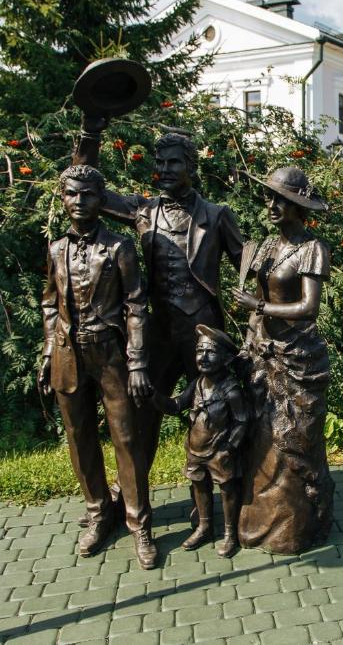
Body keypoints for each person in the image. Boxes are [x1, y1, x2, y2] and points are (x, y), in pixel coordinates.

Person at [99, 133, 245, 477]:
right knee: (142, 408)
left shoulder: (217, 215)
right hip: (159, 329)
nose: (164, 169)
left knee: (214, 411)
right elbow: (96, 194)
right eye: (160, 162)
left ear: (190, 167)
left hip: (203, 331)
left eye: (173, 162)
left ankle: (226, 492)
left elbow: (247, 268)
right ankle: (132, 492)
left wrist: (264, 316)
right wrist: (91, 134)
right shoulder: (144, 210)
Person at [38, 165, 157, 570]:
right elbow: (50, 304)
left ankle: (139, 523)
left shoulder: (120, 247)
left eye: (87, 194)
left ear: (101, 199)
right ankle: (98, 512)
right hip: (67, 354)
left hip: (110, 355)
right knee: (79, 437)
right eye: (71, 193)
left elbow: (136, 305)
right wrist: (47, 353)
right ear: (63, 198)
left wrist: (137, 362)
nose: (79, 201)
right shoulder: (56, 249)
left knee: (126, 437)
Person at [232, 166, 335, 554]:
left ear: (298, 206)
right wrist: (249, 341)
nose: (272, 205)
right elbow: (257, 307)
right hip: (264, 356)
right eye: (270, 198)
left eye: (281, 200)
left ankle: (297, 526)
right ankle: (256, 522)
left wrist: (259, 306)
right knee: (262, 441)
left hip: (298, 361)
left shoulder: (312, 248)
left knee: (292, 441)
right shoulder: (265, 248)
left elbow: (309, 308)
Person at [150, 325, 249, 558]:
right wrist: (153, 396)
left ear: (225, 359)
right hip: (195, 450)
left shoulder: (231, 389)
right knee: (200, 486)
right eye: (199, 351)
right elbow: (176, 405)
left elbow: (242, 420)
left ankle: (230, 533)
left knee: (227, 490)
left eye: (210, 352)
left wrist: (229, 447)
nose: (202, 357)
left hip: (220, 451)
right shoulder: (196, 384)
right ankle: (204, 526)